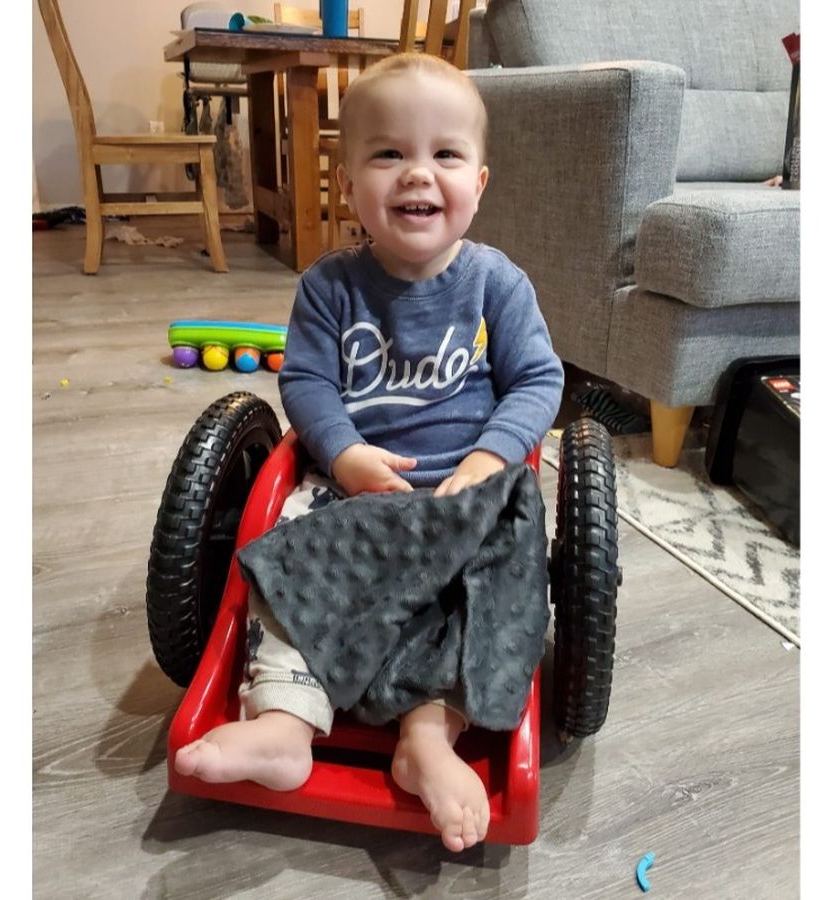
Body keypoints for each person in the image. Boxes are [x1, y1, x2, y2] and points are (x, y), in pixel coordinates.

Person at [174, 52, 564, 852]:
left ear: (479, 182)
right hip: (354, 498)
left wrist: (490, 459)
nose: (417, 173)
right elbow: (307, 382)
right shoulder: (330, 287)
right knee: (289, 557)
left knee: (490, 586)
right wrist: (346, 453)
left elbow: (538, 379)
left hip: (462, 498)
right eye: (388, 153)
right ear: (347, 184)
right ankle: (284, 723)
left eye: (444, 153)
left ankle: (428, 737)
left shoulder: (497, 285)